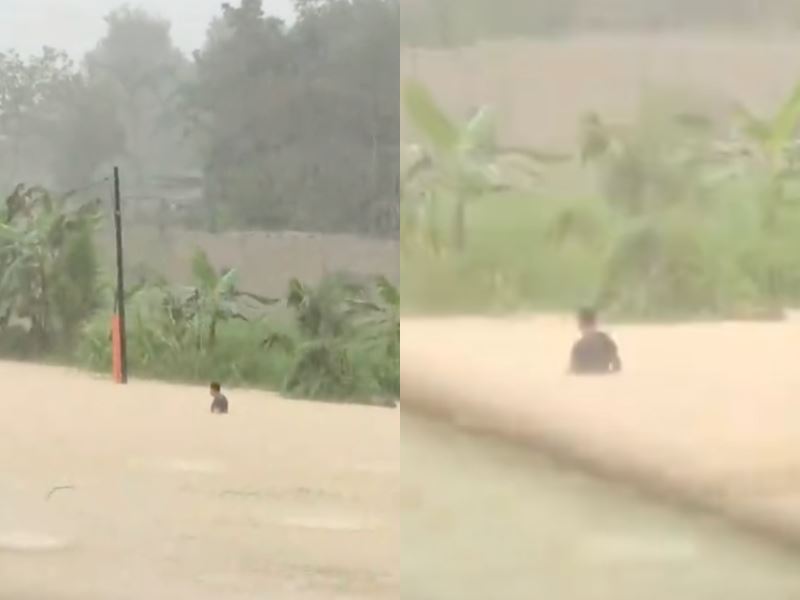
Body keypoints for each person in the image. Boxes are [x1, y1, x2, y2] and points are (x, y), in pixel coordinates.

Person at [568, 308, 622, 375]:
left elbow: (573, 370)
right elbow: (617, 367)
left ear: (581, 324)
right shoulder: (607, 341)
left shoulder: (578, 346)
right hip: (604, 378)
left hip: (584, 380)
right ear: (595, 323)